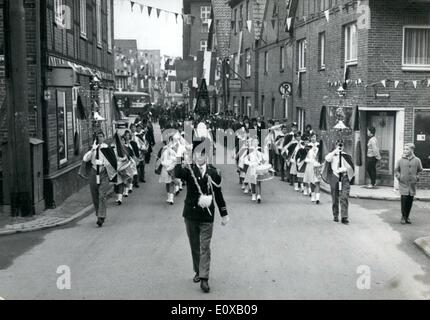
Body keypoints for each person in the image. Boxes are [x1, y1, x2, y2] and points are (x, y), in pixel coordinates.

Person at [174, 146, 230, 293]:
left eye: (203, 155)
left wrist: (224, 213)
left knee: (205, 246)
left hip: (207, 215)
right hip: (191, 215)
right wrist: (180, 155)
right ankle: (198, 271)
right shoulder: (189, 170)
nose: (200, 157)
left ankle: (204, 278)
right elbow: (177, 172)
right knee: (195, 245)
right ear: (193, 156)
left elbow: (218, 195)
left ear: (207, 156)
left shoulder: (214, 172)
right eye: (197, 155)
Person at [83, 131, 112, 227]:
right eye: (98, 137)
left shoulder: (106, 148)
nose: (99, 138)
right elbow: (86, 159)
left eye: (101, 136)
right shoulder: (93, 148)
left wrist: (103, 163)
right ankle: (99, 215)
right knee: (95, 195)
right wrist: (92, 150)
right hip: (94, 172)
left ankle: (101, 216)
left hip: (104, 172)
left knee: (101, 195)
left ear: (104, 137)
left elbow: (111, 161)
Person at [324, 140, 355, 225]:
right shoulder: (333, 155)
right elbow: (327, 159)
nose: (340, 146)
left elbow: (351, 167)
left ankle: (344, 217)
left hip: (344, 177)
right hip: (335, 176)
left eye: (341, 145)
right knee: (335, 197)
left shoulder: (346, 156)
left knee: (344, 196)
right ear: (336, 145)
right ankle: (335, 215)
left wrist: (344, 169)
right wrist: (335, 151)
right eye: (338, 145)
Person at [394, 143, 423, 225]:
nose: (405, 151)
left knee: (410, 201)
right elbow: (396, 170)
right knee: (404, 199)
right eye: (404, 149)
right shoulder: (400, 160)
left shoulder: (417, 160)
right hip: (403, 183)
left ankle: (407, 216)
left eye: (407, 149)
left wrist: (417, 177)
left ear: (412, 150)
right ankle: (403, 216)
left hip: (412, 184)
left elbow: (420, 170)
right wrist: (399, 177)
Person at [244, 138, 269, 203]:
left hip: (258, 167)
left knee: (258, 182)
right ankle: (253, 194)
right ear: (252, 143)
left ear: (258, 142)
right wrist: (249, 163)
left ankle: (259, 195)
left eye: (256, 141)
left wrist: (266, 150)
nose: (255, 143)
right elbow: (246, 159)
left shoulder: (260, 149)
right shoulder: (249, 150)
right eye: (254, 141)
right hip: (252, 167)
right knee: (252, 182)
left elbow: (265, 158)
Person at [303, 133, 323, 204]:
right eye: (312, 137)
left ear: (316, 138)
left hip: (317, 166)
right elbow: (305, 158)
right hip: (310, 166)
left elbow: (322, 157)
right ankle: (313, 196)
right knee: (312, 182)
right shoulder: (308, 147)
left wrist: (320, 163)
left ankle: (317, 198)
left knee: (317, 181)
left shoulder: (319, 147)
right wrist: (310, 160)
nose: (313, 138)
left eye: (314, 137)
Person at [158, 135, 177, 205]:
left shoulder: (175, 148)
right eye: (169, 140)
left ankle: (171, 199)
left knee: (171, 182)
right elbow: (160, 158)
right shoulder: (163, 149)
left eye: (172, 140)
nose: (170, 142)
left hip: (172, 167)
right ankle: (169, 197)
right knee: (167, 182)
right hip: (165, 168)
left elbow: (178, 158)